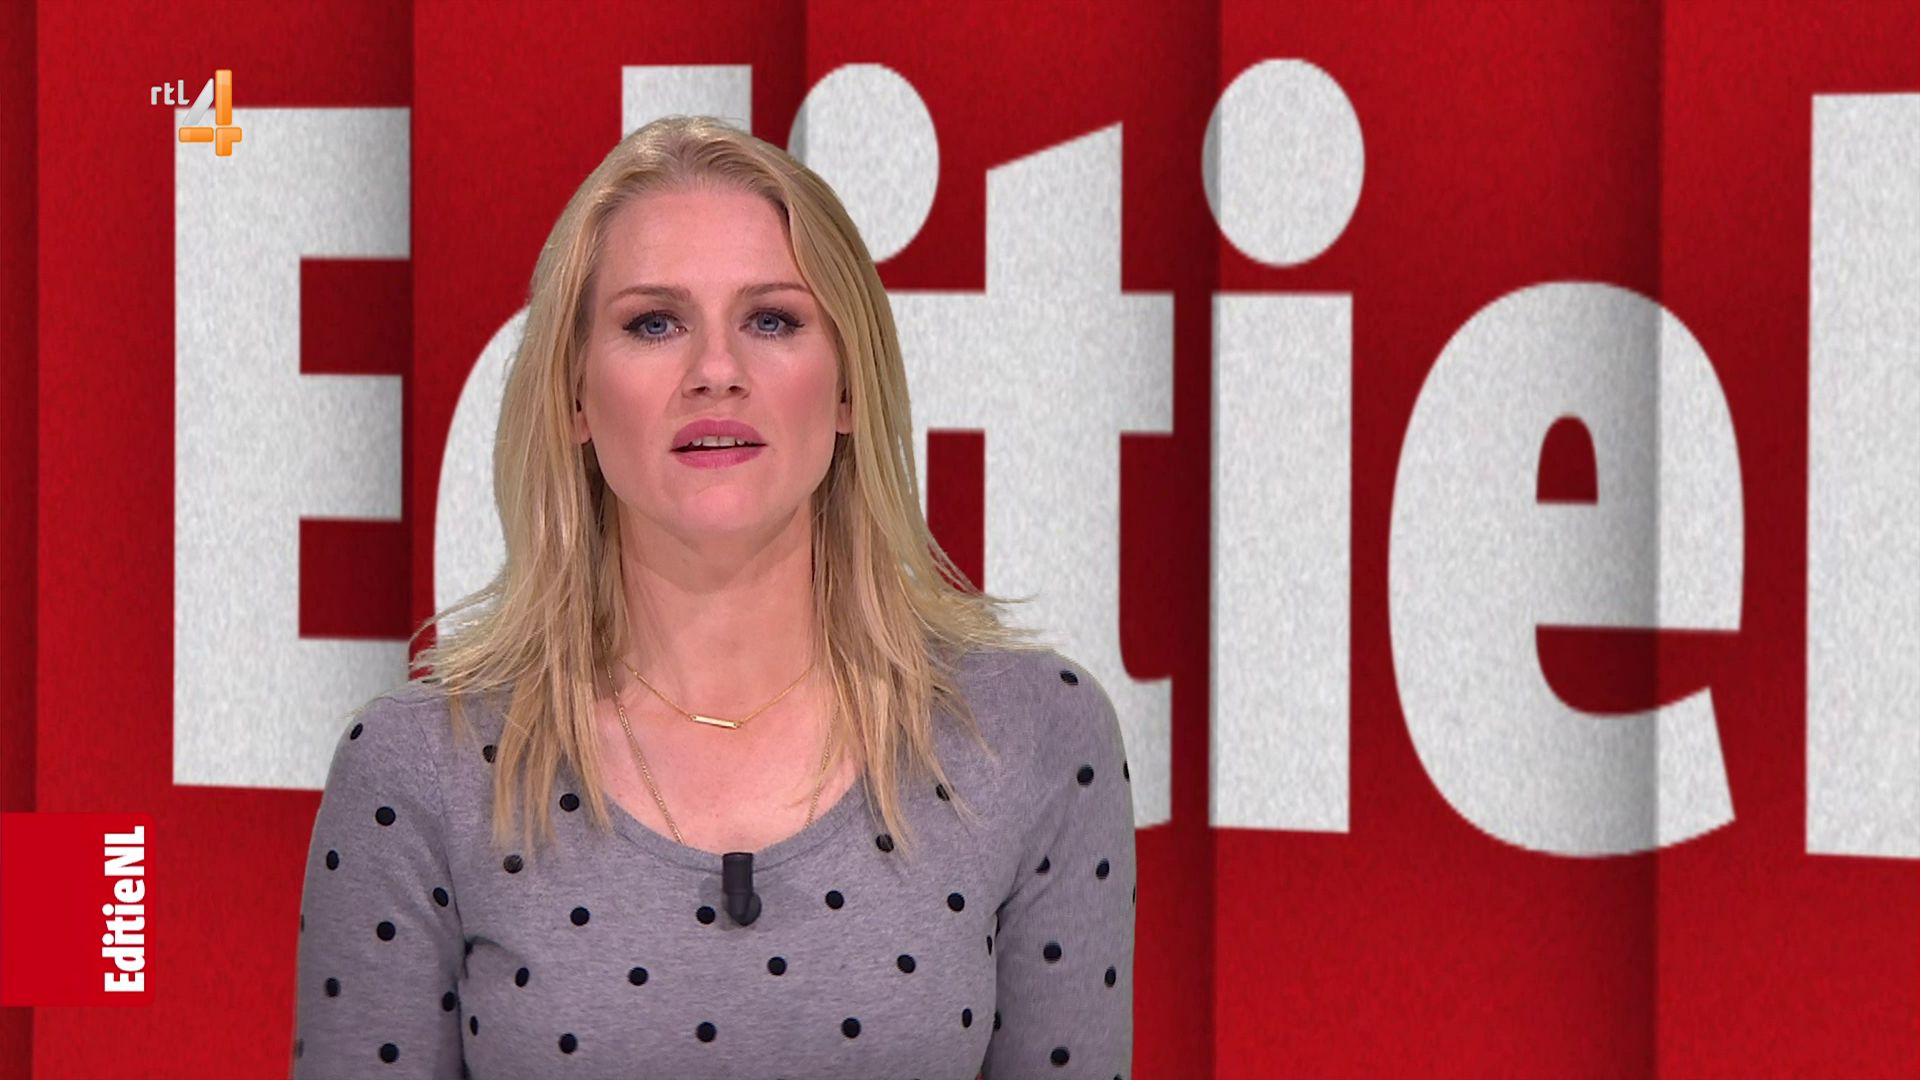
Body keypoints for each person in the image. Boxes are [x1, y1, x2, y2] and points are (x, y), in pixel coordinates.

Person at [290, 114, 1136, 1079]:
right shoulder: (420, 770)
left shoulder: (1031, 736)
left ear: (849, 387)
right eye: (654, 323)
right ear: (574, 396)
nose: (717, 372)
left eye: (771, 320)